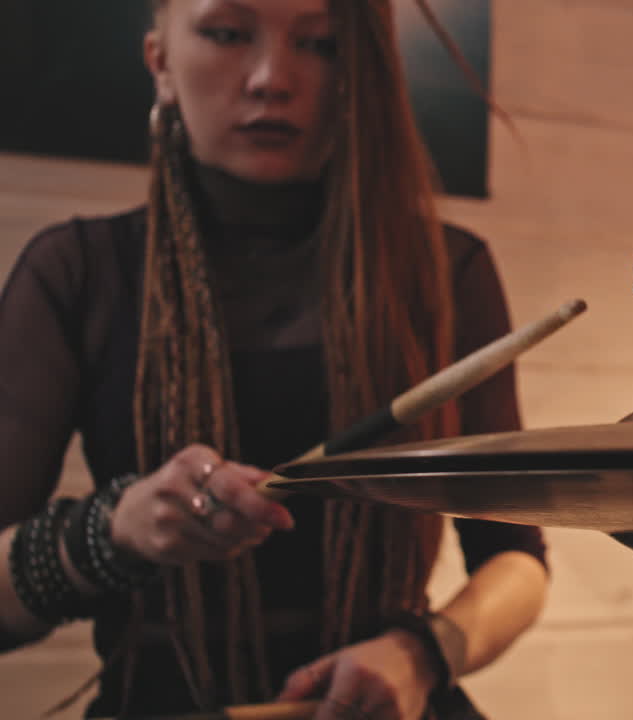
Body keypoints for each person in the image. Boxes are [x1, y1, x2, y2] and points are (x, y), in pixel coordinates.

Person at [0, 1, 549, 718]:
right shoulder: (76, 273)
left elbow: (516, 558)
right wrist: (112, 532)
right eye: (227, 34)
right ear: (160, 61)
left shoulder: (445, 271)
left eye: (320, 45)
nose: (271, 78)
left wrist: (422, 654)